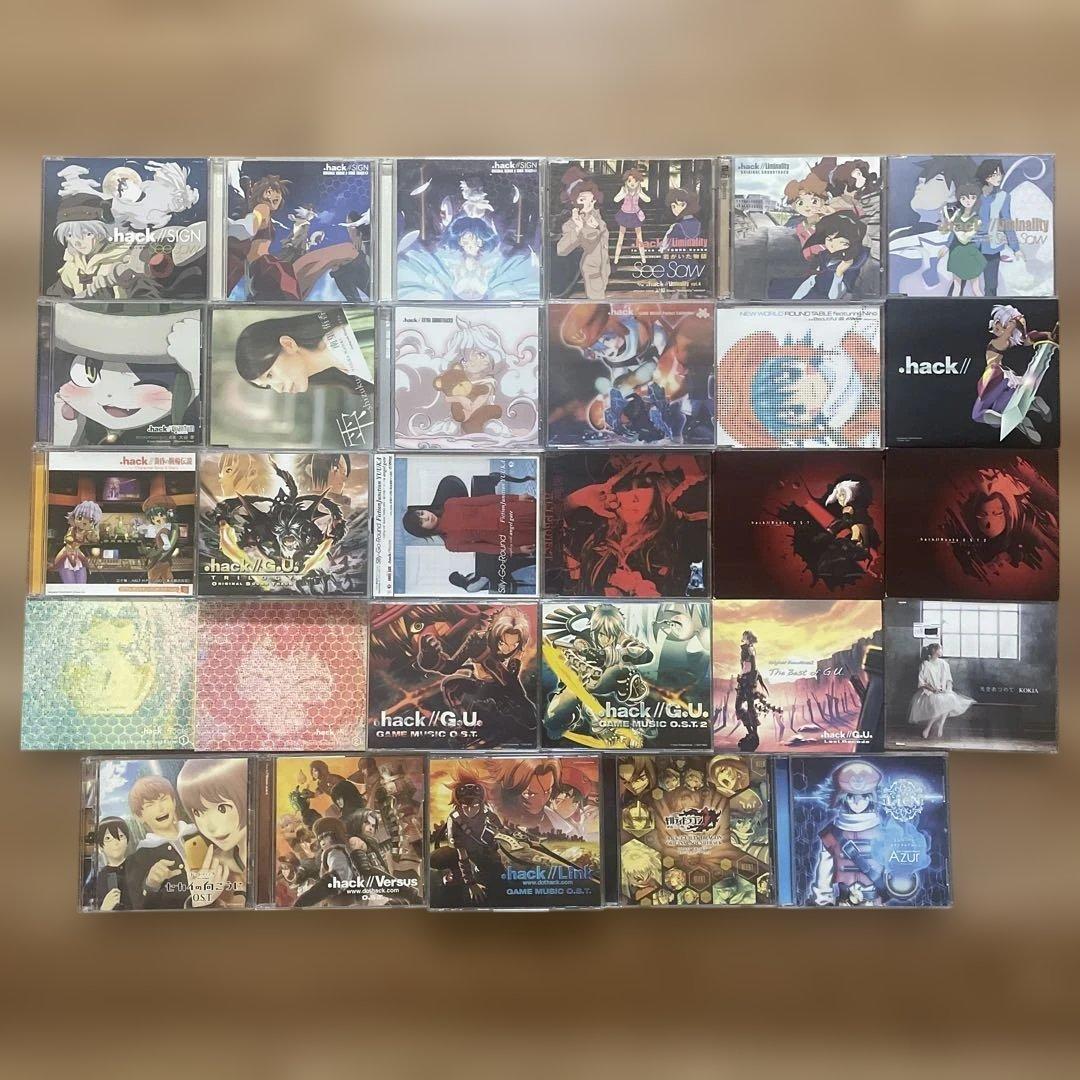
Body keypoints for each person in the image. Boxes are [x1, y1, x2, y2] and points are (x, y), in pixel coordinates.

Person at [401, 472, 536, 555]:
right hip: (511, 537)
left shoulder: (451, 504)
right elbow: (485, 548)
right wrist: (517, 550)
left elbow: (485, 500)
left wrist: (516, 498)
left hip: (513, 511)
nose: (426, 517)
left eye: (421, 513)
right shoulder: (451, 544)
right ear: (423, 531)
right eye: (421, 522)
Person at [176, 757, 248, 908]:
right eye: (198, 812)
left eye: (222, 808)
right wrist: (200, 902)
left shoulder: (282, 849)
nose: (210, 827)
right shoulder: (211, 869)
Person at [556, 167, 611, 300]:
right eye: (582, 199)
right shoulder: (572, 223)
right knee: (596, 300)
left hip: (604, 266)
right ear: (575, 202)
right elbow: (561, 249)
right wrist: (579, 228)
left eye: (590, 199)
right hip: (591, 269)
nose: (586, 203)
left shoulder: (598, 218)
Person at [907, 643, 974, 740]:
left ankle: (941, 724)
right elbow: (922, 683)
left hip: (943, 691)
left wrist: (948, 690)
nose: (942, 651)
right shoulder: (925, 665)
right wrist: (933, 690)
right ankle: (928, 727)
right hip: (929, 692)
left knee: (950, 699)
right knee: (939, 702)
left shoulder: (944, 664)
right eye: (940, 649)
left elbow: (949, 679)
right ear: (934, 651)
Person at [612, 167, 651, 264]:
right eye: (629, 181)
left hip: (635, 215)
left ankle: (643, 258)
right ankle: (616, 258)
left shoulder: (639, 190)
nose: (632, 183)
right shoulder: (623, 189)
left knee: (640, 238)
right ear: (626, 181)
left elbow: (648, 200)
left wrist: (640, 194)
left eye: (635, 181)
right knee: (620, 237)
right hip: (624, 214)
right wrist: (624, 194)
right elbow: (615, 200)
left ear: (639, 182)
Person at [92, 817, 131, 911]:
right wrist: (104, 908)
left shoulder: (138, 866)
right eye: (108, 838)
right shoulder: (99, 878)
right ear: (100, 846)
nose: (116, 842)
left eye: (120, 836)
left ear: (127, 841)